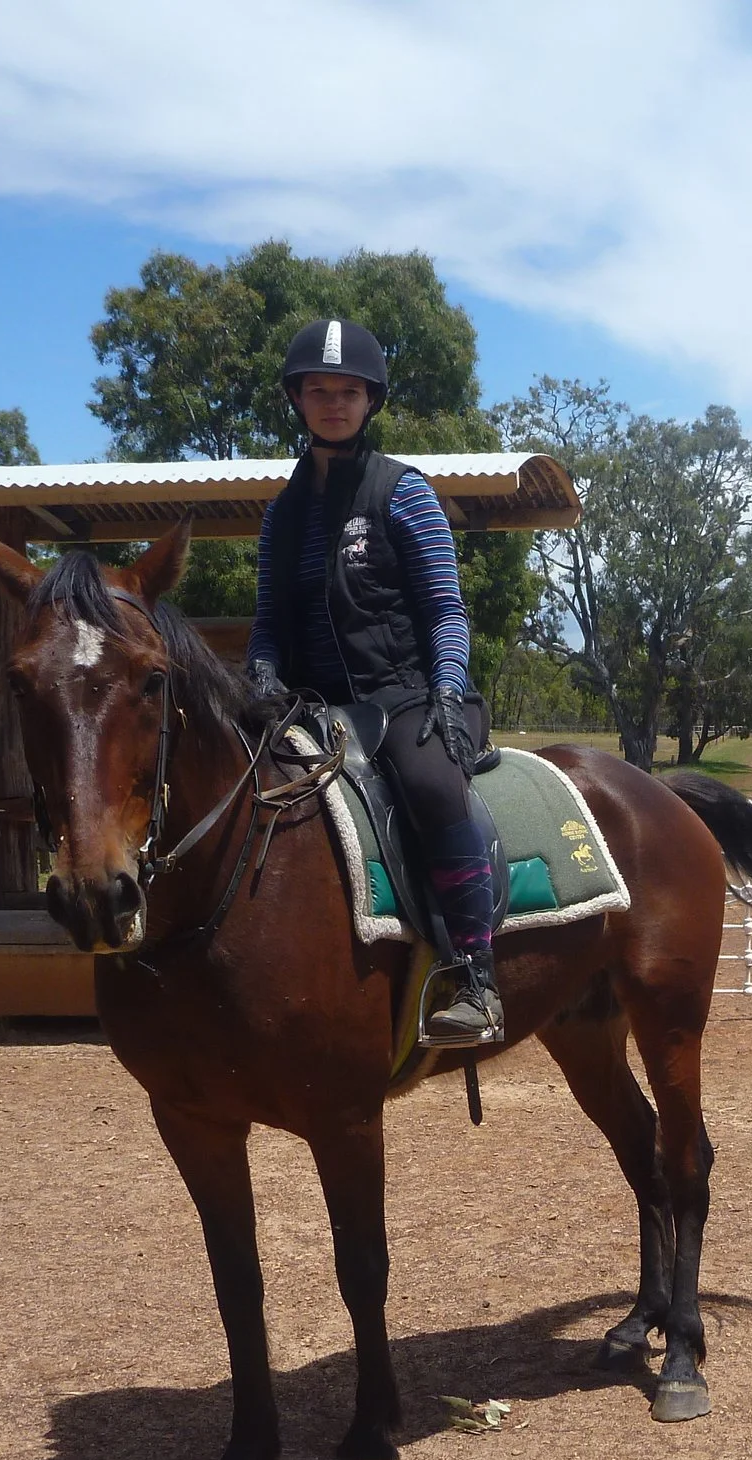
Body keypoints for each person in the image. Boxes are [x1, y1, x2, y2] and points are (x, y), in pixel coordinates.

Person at [248, 316, 502, 1045]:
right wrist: (262, 670)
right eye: (319, 390)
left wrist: (448, 692)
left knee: (427, 784)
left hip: (407, 698)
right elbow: (269, 618)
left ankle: (477, 977)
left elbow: (446, 611)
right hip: (313, 705)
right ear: (298, 399)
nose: (334, 403)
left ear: (370, 401)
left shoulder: (404, 493)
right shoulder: (282, 517)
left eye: (349, 391)